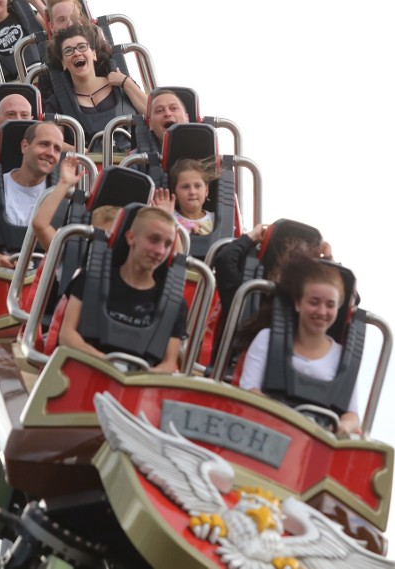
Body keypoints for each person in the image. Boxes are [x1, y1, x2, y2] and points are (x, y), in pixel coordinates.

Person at [237, 256, 359, 435]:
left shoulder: (344, 358)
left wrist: (342, 427)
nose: (322, 312)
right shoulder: (267, 339)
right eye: (314, 302)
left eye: (330, 305)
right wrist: (289, 424)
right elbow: (248, 390)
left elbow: (352, 414)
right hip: (265, 431)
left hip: (318, 439)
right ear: (298, 303)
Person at [58, 207, 187, 372]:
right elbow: (67, 335)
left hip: (138, 385)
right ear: (131, 238)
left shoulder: (173, 303)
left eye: (168, 244)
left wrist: (135, 379)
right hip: (87, 370)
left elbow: (169, 364)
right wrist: (109, 366)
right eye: (154, 240)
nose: (160, 251)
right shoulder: (91, 281)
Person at [0, 121, 78, 267]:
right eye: (44, 144)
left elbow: (68, 256)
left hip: (44, 279)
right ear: (25, 146)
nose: (50, 153)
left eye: (57, 149)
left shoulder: (65, 195)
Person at [45, 24, 147, 152]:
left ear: (93, 54)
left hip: (133, 161)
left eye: (82, 47)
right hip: (88, 166)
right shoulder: (57, 103)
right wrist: (80, 151)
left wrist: (126, 82)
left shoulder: (124, 86)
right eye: (68, 51)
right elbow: (50, 140)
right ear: (64, 63)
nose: (76, 53)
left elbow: (152, 113)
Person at [151, 157, 219, 236]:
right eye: (185, 187)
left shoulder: (217, 220)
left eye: (197, 186)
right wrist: (163, 216)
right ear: (175, 192)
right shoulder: (169, 216)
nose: (192, 192)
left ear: (206, 190)